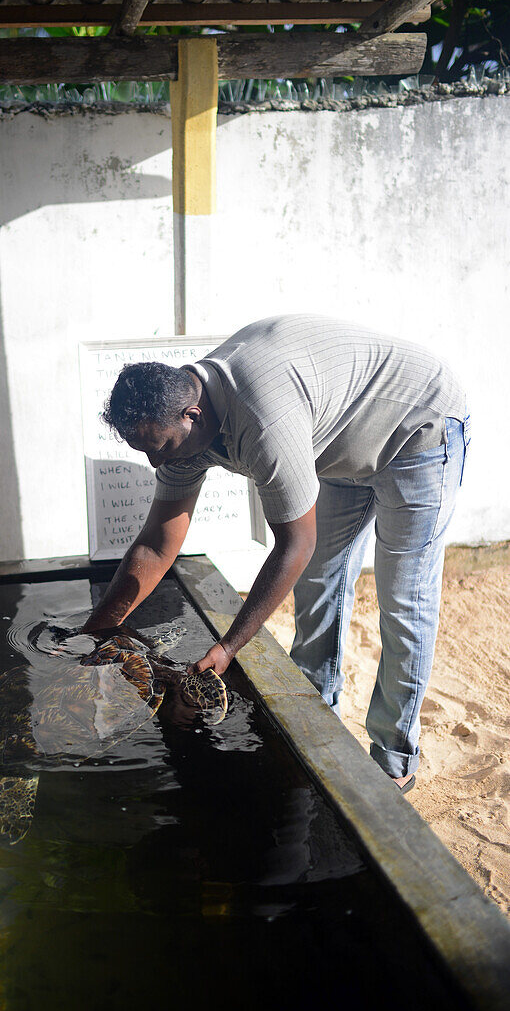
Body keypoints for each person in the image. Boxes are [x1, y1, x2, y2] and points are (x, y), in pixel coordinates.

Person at [82, 315, 470, 793]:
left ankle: (393, 759)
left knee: (402, 599)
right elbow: (158, 541)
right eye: (143, 450)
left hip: (417, 427)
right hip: (339, 440)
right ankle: (317, 712)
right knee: (320, 582)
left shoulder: (263, 421)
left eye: (159, 447)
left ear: (192, 416)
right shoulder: (185, 432)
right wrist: (98, 630)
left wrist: (228, 647)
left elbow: (295, 545)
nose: (155, 462)